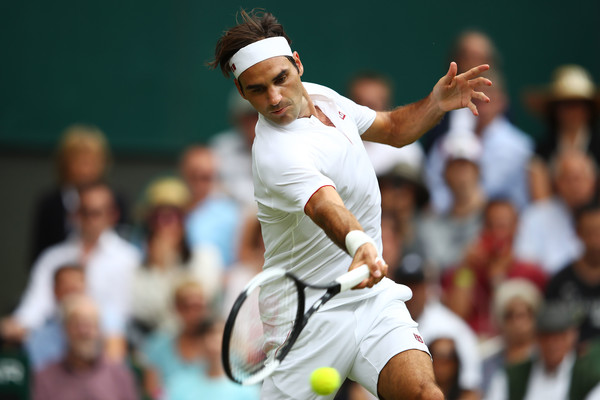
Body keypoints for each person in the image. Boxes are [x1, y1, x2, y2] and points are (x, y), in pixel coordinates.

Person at [210, 10, 492, 399]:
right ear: (243, 93)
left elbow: (392, 129)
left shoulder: (325, 98)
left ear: (297, 64)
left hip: (370, 299)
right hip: (305, 321)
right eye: (257, 89)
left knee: (426, 394)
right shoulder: (275, 153)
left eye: (280, 79)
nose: (274, 97)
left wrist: (436, 103)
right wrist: (360, 245)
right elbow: (326, 206)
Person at [1, 182, 141, 360]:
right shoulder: (52, 257)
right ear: (74, 215)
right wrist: (18, 325)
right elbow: (35, 305)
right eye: (84, 212)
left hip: (105, 339)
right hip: (56, 339)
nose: (89, 220)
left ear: (112, 216)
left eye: (96, 213)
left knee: (114, 337)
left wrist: (87, 325)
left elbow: (122, 312)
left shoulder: (129, 258)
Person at [425, 70, 533, 214]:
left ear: (502, 101)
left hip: (501, 226)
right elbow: (432, 181)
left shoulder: (517, 146)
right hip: (449, 220)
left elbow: (485, 194)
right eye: (476, 98)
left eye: (488, 98)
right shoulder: (447, 140)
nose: (481, 104)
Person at [130, 177, 223, 339]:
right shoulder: (138, 266)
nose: (167, 224)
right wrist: (159, 268)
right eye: (159, 217)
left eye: (175, 216)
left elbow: (196, 307)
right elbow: (148, 314)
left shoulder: (206, 256)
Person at [441, 200, 547, 338]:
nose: (497, 233)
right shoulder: (466, 271)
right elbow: (456, 315)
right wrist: (467, 269)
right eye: (491, 225)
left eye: (503, 226)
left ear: (516, 228)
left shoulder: (532, 274)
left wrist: (497, 279)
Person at [30, 124, 128, 263]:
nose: (84, 167)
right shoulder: (49, 204)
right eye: (78, 159)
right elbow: (38, 256)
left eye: (90, 160)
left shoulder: (116, 199)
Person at [394, 253, 483, 400]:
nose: (410, 293)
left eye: (416, 286)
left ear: (426, 288)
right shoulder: (382, 323)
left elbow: (470, 390)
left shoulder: (453, 328)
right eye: (404, 285)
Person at [485, 301, 600, 400]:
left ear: (571, 337)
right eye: (546, 337)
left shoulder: (590, 378)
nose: (552, 344)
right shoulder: (511, 377)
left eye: (558, 337)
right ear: (536, 338)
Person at [32, 294, 138, 400]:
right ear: (65, 329)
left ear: (99, 331)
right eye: (77, 324)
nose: (84, 332)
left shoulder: (120, 377)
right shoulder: (45, 378)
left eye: (90, 325)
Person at [514, 150, 597, 275]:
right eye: (568, 179)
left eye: (580, 178)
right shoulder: (536, 216)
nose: (575, 185)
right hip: (549, 290)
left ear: (593, 182)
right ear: (556, 183)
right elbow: (525, 263)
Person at [525, 65, 600, 201]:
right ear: (555, 109)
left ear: (589, 109)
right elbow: (540, 199)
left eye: (578, 103)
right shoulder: (542, 148)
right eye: (565, 104)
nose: (572, 111)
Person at [418, 132, 486, 272]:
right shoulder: (431, 224)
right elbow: (435, 265)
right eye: (455, 166)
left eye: (466, 166)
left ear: (478, 171)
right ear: (445, 173)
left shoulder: (494, 217)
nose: (462, 174)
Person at [347, 71, 427, 177]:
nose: (365, 110)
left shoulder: (407, 150)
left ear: (386, 106)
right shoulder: (336, 144)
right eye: (359, 103)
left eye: (372, 104)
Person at [141, 280, 210, 399]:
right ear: (177, 308)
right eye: (188, 306)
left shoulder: (217, 346)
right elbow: (152, 390)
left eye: (199, 306)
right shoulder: (158, 345)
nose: (194, 313)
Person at [545, 201, 600, 347]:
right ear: (577, 232)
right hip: (569, 363)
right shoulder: (560, 281)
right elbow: (550, 330)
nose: (596, 241)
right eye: (590, 232)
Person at [165, 318, 260, 400]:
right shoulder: (179, 384)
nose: (214, 342)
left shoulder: (247, 386)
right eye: (210, 335)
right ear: (199, 342)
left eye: (220, 335)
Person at [180, 145, 242, 267]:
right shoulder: (169, 208)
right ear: (184, 174)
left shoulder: (231, 214)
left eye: (205, 177)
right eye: (193, 175)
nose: (199, 183)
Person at [481, 279, 542, 394]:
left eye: (524, 315)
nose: (518, 323)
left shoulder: (545, 357)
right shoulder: (488, 363)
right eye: (510, 316)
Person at [24, 264, 86, 371]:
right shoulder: (39, 337)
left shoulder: (105, 330)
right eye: (67, 290)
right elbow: (41, 377)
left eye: (76, 290)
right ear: (55, 291)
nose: (72, 297)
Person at [210, 88, 259, 208]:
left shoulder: (284, 148)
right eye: (248, 116)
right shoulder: (220, 148)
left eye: (257, 115)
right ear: (237, 118)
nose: (254, 122)